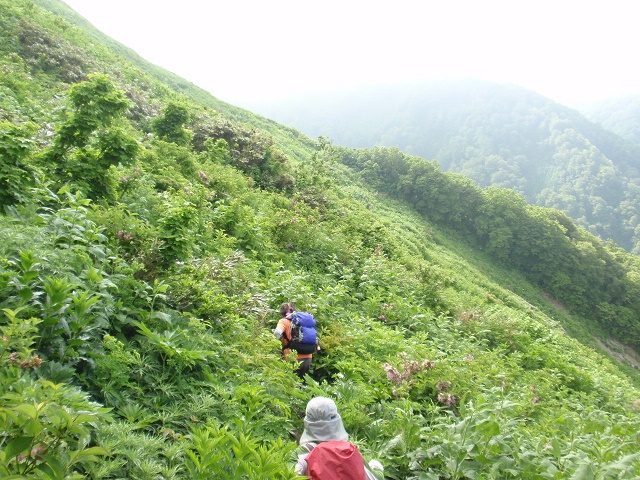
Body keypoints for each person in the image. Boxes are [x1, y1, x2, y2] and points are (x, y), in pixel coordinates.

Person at [291, 396, 384, 480]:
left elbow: (289, 476)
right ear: (336, 421)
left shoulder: (300, 454)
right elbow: (376, 478)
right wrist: (376, 466)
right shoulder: (349, 451)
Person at [273, 302, 314, 378]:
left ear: (282, 312)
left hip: (292, 357)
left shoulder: (283, 321)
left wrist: (273, 343)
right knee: (301, 383)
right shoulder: (304, 321)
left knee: (289, 385)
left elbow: (278, 332)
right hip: (308, 357)